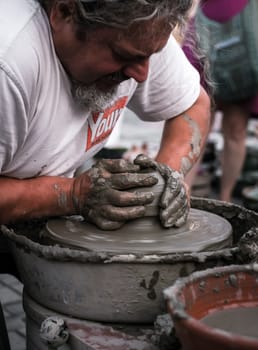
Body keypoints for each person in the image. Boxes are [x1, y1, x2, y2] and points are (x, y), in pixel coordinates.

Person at [0, 0, 210, 232]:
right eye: (122, 55)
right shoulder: (10, 64)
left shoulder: (138, 34)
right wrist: (71, 195)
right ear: (64, 12)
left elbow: (193, 104)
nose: (142, 75)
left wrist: (165, 180)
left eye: (149, 56)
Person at [183, 0, 258, 202]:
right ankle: (183, 192)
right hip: (205, 26)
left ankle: (225, 199)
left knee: (235, 128)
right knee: (197, 124)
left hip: (246, 26)